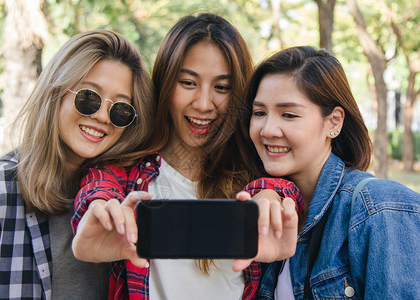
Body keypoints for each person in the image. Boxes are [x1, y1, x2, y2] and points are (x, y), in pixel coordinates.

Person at [71, 13, 303, 299]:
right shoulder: (125, 174)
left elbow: (284, 192)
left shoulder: (254, 180)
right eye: (188, 83)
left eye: (221, 87)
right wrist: (96, 215)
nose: (204, 104)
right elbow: (98, 190)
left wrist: (270, 196)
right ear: (166, 84)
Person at [0, 29, 155, 299]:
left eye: (120, 109)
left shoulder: (130, 194)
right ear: (56, 91)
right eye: (89, 97)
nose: (103, 116)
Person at [237, 46, 420, 299]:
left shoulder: (380, 208)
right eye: (259, 113)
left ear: (333, 122)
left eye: (288, 114)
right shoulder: (271, 211)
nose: (267, 130)